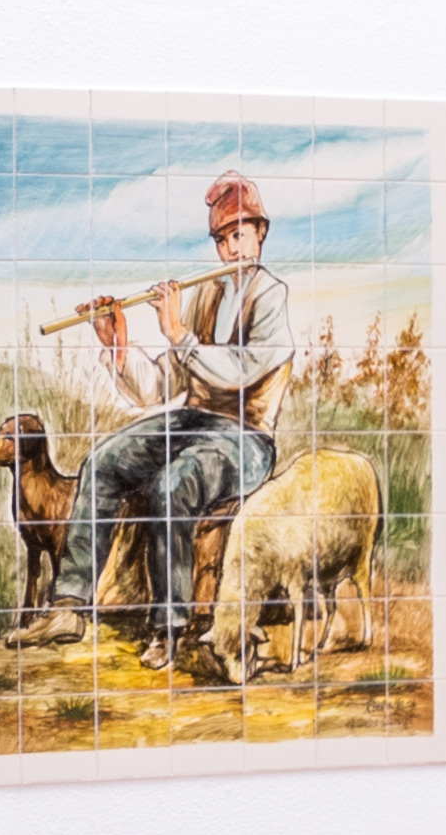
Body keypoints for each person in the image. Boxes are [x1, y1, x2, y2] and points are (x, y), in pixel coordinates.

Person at [34, 174, 288, 666]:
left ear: (261, 234)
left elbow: (241, 371)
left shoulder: (271, 296)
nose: (233, 248)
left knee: (173, 486)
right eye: (223, 239)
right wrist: (118, 345)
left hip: (247, 438)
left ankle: (168, 627)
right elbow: (157, 389)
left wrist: (178, 335)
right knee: (103, 462)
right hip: (193, 420)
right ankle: (69, 603)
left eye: (242, 234)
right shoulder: (205, 297)